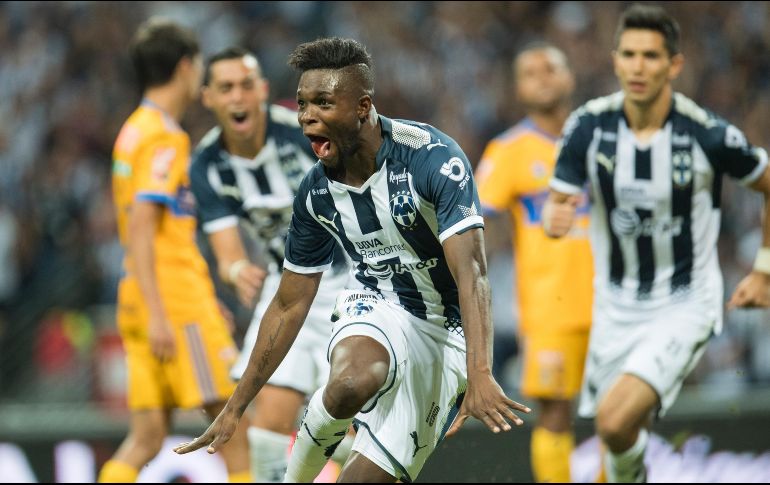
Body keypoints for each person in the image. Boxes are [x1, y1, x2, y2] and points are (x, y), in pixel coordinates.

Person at [175, 37, 530, 483]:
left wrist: (479, 371)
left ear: (362, 107)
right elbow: (288, 303)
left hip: (447, 333)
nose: (307, 116)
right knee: (349, 381)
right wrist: (236, 406)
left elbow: (471, 272)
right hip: (376, 302)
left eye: (323, 103)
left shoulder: (432, 159)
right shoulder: (316, 191)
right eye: (303, 103)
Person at [543, 4, 770, 482]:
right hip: (615, 305)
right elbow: (557, 199)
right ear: (615, 60)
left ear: (674, 65)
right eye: (629, 54)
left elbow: (767, 182)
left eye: (650, 55)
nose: (638, 66)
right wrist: (556, 213)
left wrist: (763, 267)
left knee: (614, 420)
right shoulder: (588, 126)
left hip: (683, 302)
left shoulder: (706, 134)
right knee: (615, 432)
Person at [98, 18, 250, 483]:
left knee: (146, 436)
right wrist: (171, 313)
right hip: (174, 303)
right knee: (233, 427)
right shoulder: (164, 137)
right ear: (186, 67)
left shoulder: (132, 131)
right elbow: (144, 228)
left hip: (144, 299)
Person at [191, 46, 352, 482]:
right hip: (287, 288)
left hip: (350, 282)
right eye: (226, 88)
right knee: (268, 425)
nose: (238, 97)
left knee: (355, 423)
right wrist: (236, 271)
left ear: (262, 90)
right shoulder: (206, 166)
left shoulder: (303, 135)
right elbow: (227, 253)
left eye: (247, 85)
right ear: (208, 97)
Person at [475, 43, 592, 483]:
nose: (543, 77)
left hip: (618, 300)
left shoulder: (600, 136)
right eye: (530, 72)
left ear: (569, 76)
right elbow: (473, 220)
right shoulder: (510, 150)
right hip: (551, 306)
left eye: (551, 68)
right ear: (518, 88)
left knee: (623, 411)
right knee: (557, 413)